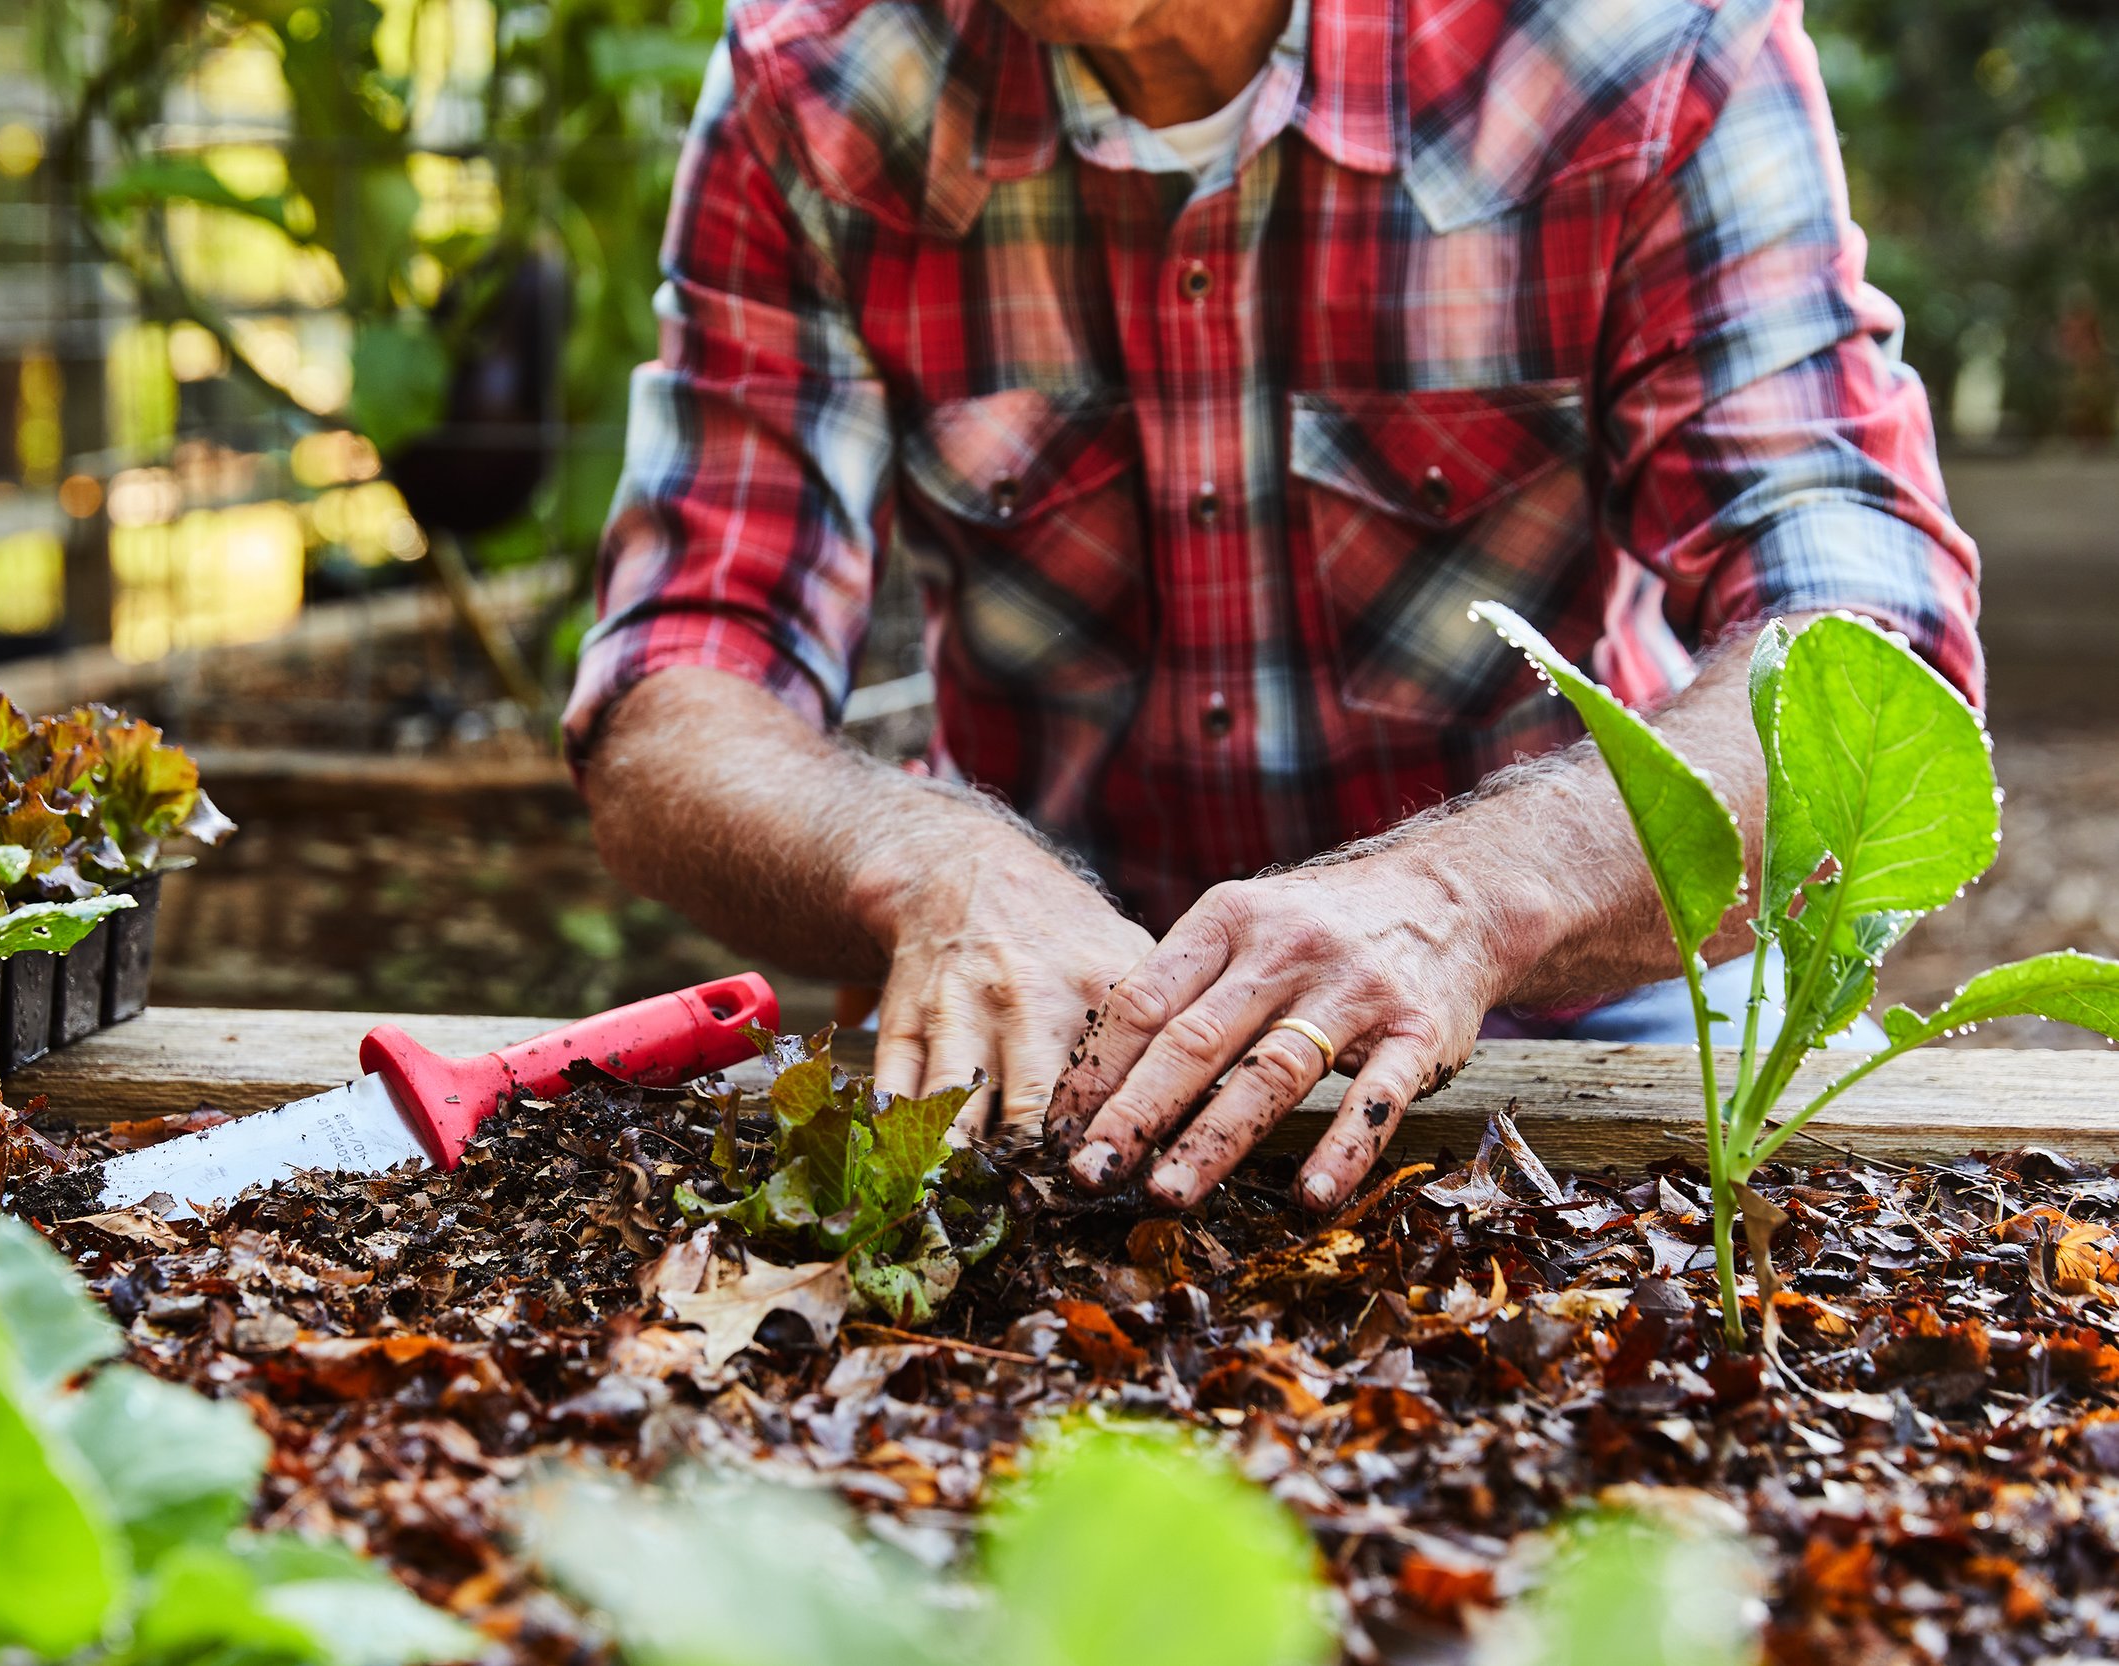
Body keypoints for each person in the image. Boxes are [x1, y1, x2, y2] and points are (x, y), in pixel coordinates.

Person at [563, 0, 1981, 1214]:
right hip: (1050, 1011)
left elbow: (1867, 644)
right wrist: (922, 864)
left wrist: (1463, 899)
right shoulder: (813, 78)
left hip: (1576, 985)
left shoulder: (1644, 42)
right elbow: (671, 699)